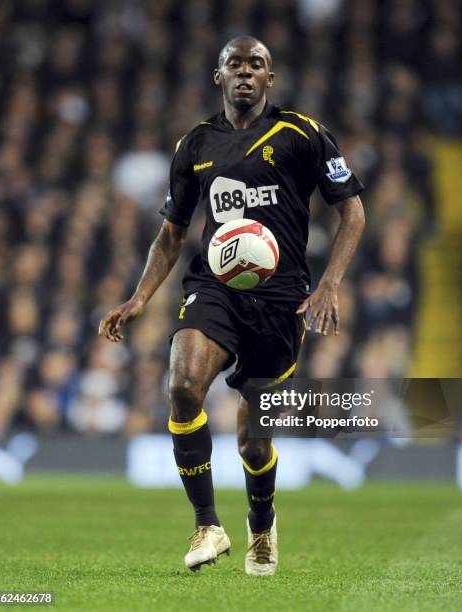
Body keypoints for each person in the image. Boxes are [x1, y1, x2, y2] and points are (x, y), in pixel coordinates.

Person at [99, 36, 365, 575]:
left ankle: (261, 527)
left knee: (251, 438)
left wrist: (330, 284)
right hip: (214, 287)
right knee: (181, 385)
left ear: (271, 77)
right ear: (218, 76)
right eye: (234, 64)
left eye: (257, 64)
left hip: (282, 301)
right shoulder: (194, 145)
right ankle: (206, 525)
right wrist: (140, 297)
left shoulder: (302, 135)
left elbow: (353, 213)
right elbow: (172, 234)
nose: (245, 72)